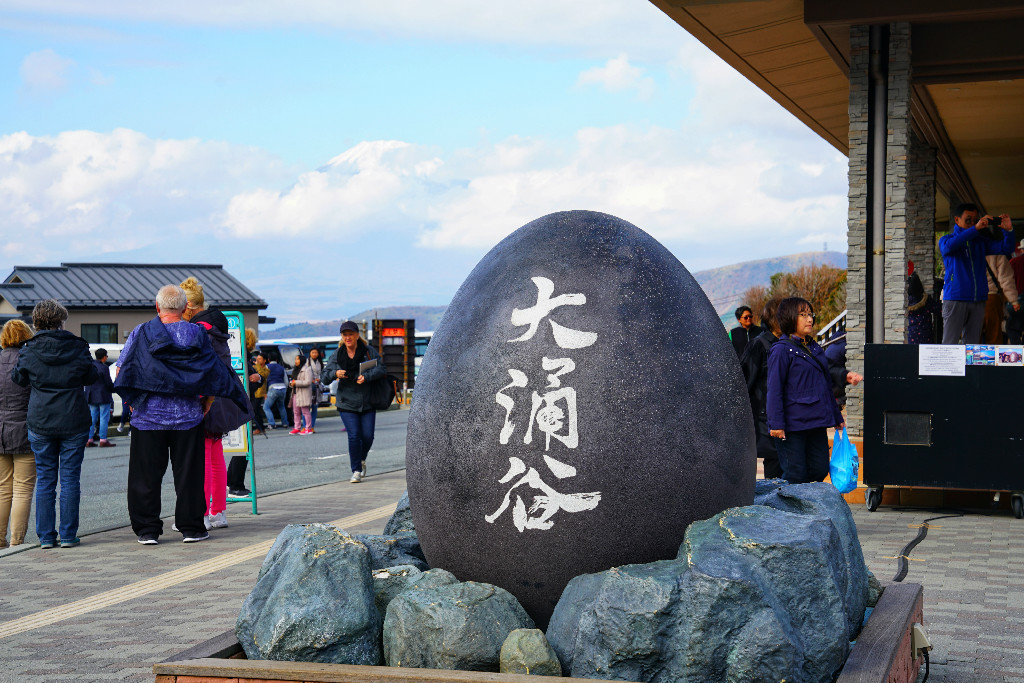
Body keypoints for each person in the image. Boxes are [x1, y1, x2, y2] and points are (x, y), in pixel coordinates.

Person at [114, 285, 249, 545]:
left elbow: (123, 371)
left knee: (145, 476)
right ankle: (191, 527)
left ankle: (147, 530)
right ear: (184, 308)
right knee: (189, 475)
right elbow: (211, 370)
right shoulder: (196, 333)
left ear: (158, 307)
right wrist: (207, 400)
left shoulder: (142, 332)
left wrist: (131, 401)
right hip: (188, 416)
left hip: (147, 417)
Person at [12, 299, 98, 549]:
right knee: (70, 478)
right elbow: (91, 376)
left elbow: (18, 378)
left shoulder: (29, 348)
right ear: (61, 321)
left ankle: (46, 537)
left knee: (46, 479)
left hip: (41, 419)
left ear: (36, 322)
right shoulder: (78, 346)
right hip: (74, 417)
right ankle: (69, 535)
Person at [180, 277, 254, 530]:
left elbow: (197, 368)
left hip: (205, 398)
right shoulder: (218, 328)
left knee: (201, 459)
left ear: (189, 305)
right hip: (221, 395)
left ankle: (199, 514)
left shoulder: (200, 330)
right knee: (214, 456)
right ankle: (218, 512)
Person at [766, 297, 845, 485]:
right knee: (795, 474)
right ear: (789, 317)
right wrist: (776, 424)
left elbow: (825, 385)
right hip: (792, 426)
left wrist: (836, 417)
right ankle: (791, 510)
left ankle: (804, 505)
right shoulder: (781, 350)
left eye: (810, 314)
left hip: (815, 422)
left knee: (820, 468)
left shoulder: (814, 347)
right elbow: (774, 390)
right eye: (803, 315)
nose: (809, 319)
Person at [939, 203, 1015, 344]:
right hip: (955, 299)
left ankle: (969, 367)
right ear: (957, 220)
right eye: (968, 220)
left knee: (972, 347)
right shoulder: (946, 240)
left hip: (978, 300)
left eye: (975, 220)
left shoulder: (979, 242)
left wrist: (1008, 230)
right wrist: (975, 229)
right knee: (949, 344)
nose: (973, 223)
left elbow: (1005, 248)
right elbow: (949, 247)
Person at [322, 321, 386, 483]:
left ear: (357, 335)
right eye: (345, 335)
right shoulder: (337, 354)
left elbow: (381, 369)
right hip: (346, 402)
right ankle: (356, 470)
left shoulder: (368, 352)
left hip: (367, 401)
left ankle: (361, 459)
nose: (348, 337)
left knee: (368, 436)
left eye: (351, 334)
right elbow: (324, 377)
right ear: (342, 337)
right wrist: (335, 373)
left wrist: (367, 376)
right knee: (354, 435)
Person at [0, 319, 36, 548]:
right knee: (22, 488)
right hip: (25, 427)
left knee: (3, 487)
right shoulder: (30, 361)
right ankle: (16, 541)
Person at [739, 298, 783, 479]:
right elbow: (743, 380)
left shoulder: (792, 344)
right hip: (767, 419)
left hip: (788, 418)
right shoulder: (760, 344)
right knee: (774, 464)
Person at [983, 251, 1019, 344]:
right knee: (993, 338)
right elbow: (1006, 279)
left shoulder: (966, 251)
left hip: (969, 300)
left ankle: (974, 358)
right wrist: (1013, 300)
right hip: (991, 299)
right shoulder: (997, 254)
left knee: (972, 340)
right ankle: (991, 358)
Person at [84, 348, 117, 448]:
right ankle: (103, 439)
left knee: (92, 418)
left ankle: (89, 439)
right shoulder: (104, 368)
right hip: (103, 395)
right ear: (104, 357)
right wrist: (115, 389)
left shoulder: (89, 366)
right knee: (103, 417)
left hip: (91, 395)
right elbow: (108, 383)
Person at [906, 265, 940, 344]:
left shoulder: (905, 302)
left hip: (909, 339)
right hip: (926, 339)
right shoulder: (926, 301)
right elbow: (940, 310)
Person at [289, 353, 314, 435]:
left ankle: (308, 428)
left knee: (305, 411)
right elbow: (293, 380)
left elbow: (308, 382)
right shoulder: (295, 369)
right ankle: (297, 427)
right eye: (295, 359)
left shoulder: (307, 369)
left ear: (302, 360)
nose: (295, 361)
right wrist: (291, 383)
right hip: (295, 393)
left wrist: (296, 382)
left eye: (297, 359)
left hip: (304, 393)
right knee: (296, 411)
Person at [262, 357, 289, 429]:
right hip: (282, 388)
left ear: (268, 359)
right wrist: (285, 388)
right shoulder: (281, 367)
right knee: (281, 406)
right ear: (277, 360)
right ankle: (285, 423)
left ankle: (272, 423)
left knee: (266, 407)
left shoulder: (267, 367)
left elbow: (265, 379)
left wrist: (265, 391)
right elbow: (286, 381)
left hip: (273, 388)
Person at [306, 347, 324, 433]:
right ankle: (306, 426)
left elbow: (322, 373)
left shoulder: (320, 362)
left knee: (315, 407)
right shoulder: (306, 362)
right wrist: (311, 380)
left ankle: (312, 426)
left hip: (317, 386)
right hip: (309, 386)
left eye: (316, 353)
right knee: (306, 407)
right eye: (312, 352)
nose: (314, 354)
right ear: (310, 353)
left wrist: (319, 379)